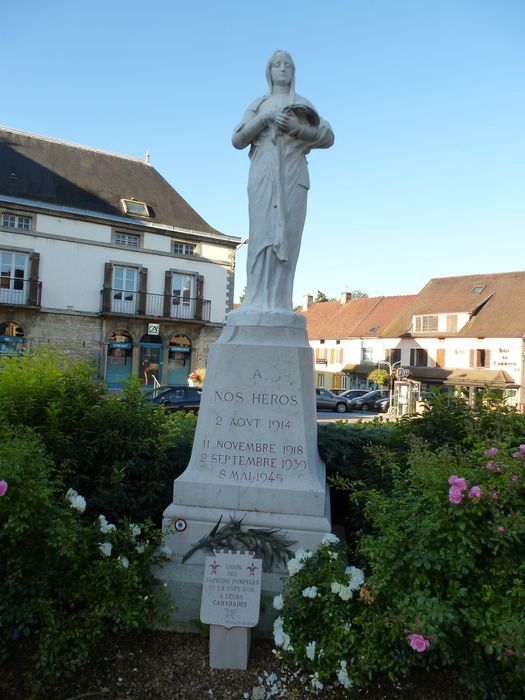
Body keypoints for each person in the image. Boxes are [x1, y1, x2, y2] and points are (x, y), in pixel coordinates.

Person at [232, 50, 334, 314]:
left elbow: (327, 136)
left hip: (294, 174)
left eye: (287, 65)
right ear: (268, 71)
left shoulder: (302, 103)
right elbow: (238, 140)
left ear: (293, 71)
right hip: (264, 171)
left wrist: (296, 128)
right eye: (276, 64)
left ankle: (279, 303)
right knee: (262, 236)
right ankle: (255, 301)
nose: (282, 68)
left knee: (288, 237)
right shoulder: (258, 104)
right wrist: (265, 119)